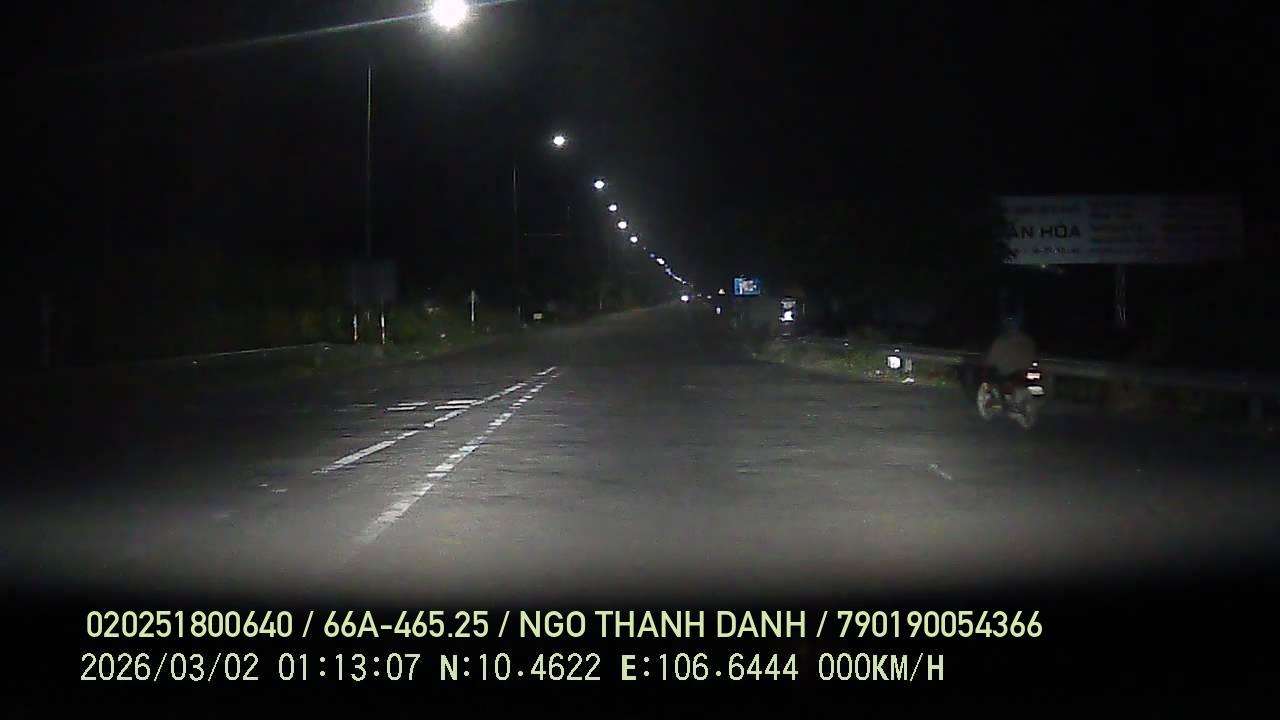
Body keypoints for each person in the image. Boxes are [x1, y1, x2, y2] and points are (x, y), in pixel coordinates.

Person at [985, 312, 1038, 381]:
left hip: (1018, 378)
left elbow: (990, 361)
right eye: (1009, 321)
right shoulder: (1000, 341)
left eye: (1013, 321)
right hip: (1006, 378)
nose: (1011, 324)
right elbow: (990, 361)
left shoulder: (1027, 342)